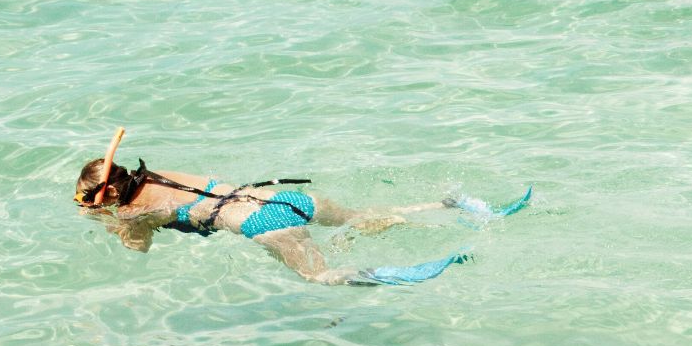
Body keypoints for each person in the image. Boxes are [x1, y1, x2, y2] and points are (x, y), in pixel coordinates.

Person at [73, 129, 529, 285]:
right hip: (279, 197)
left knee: (321, 277)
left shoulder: (135, 209)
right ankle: (452, 205)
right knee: (364, 216)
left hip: (259, 222)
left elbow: (139, 250)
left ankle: (396, 275)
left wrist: (114, 226)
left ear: (109, 194)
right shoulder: (155, 175)